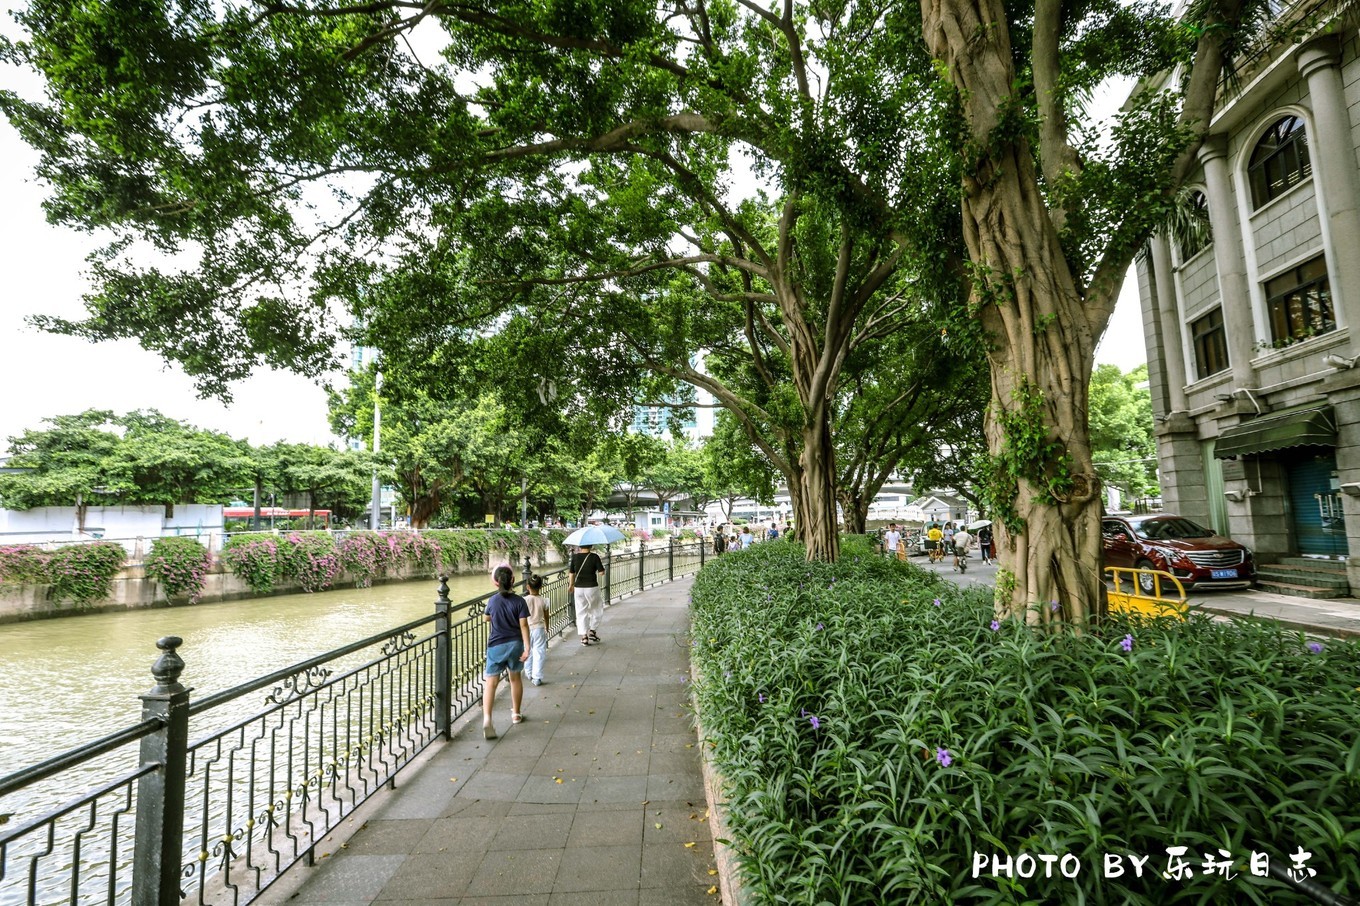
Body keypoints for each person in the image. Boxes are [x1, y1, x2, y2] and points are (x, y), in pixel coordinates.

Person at [482, 565, 530, 740]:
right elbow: (524, 625)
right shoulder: (519, 601)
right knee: (515, 678)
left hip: (496, 645)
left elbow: (486, 617)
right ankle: (516, 714)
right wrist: (527, 647)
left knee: (491, 683)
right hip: (515, 644)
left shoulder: (493, 601)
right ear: (513, 581)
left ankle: (487, 719)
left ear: (496, 583)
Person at [569, 543, 606, 645]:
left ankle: (584, 637)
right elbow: (601, 573)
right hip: (591, 587)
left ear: (580, 547)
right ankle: (592, 631)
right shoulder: (594, 557)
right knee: (596, 608)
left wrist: (571, 585)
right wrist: (602, 570)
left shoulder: (575, 557)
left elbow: (571, 573)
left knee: (581, 611)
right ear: (591, 547)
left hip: (578, 588)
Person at [524, 574, 549, 686]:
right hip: (539, 628)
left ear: (527, 587)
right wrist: (547, 626)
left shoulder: (524, 600)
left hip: (527, 628)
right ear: (541, 587)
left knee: (527, 650)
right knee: (539, 652)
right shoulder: (544, 600)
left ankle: (528, 673)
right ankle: (537, 677)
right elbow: (546, 615)